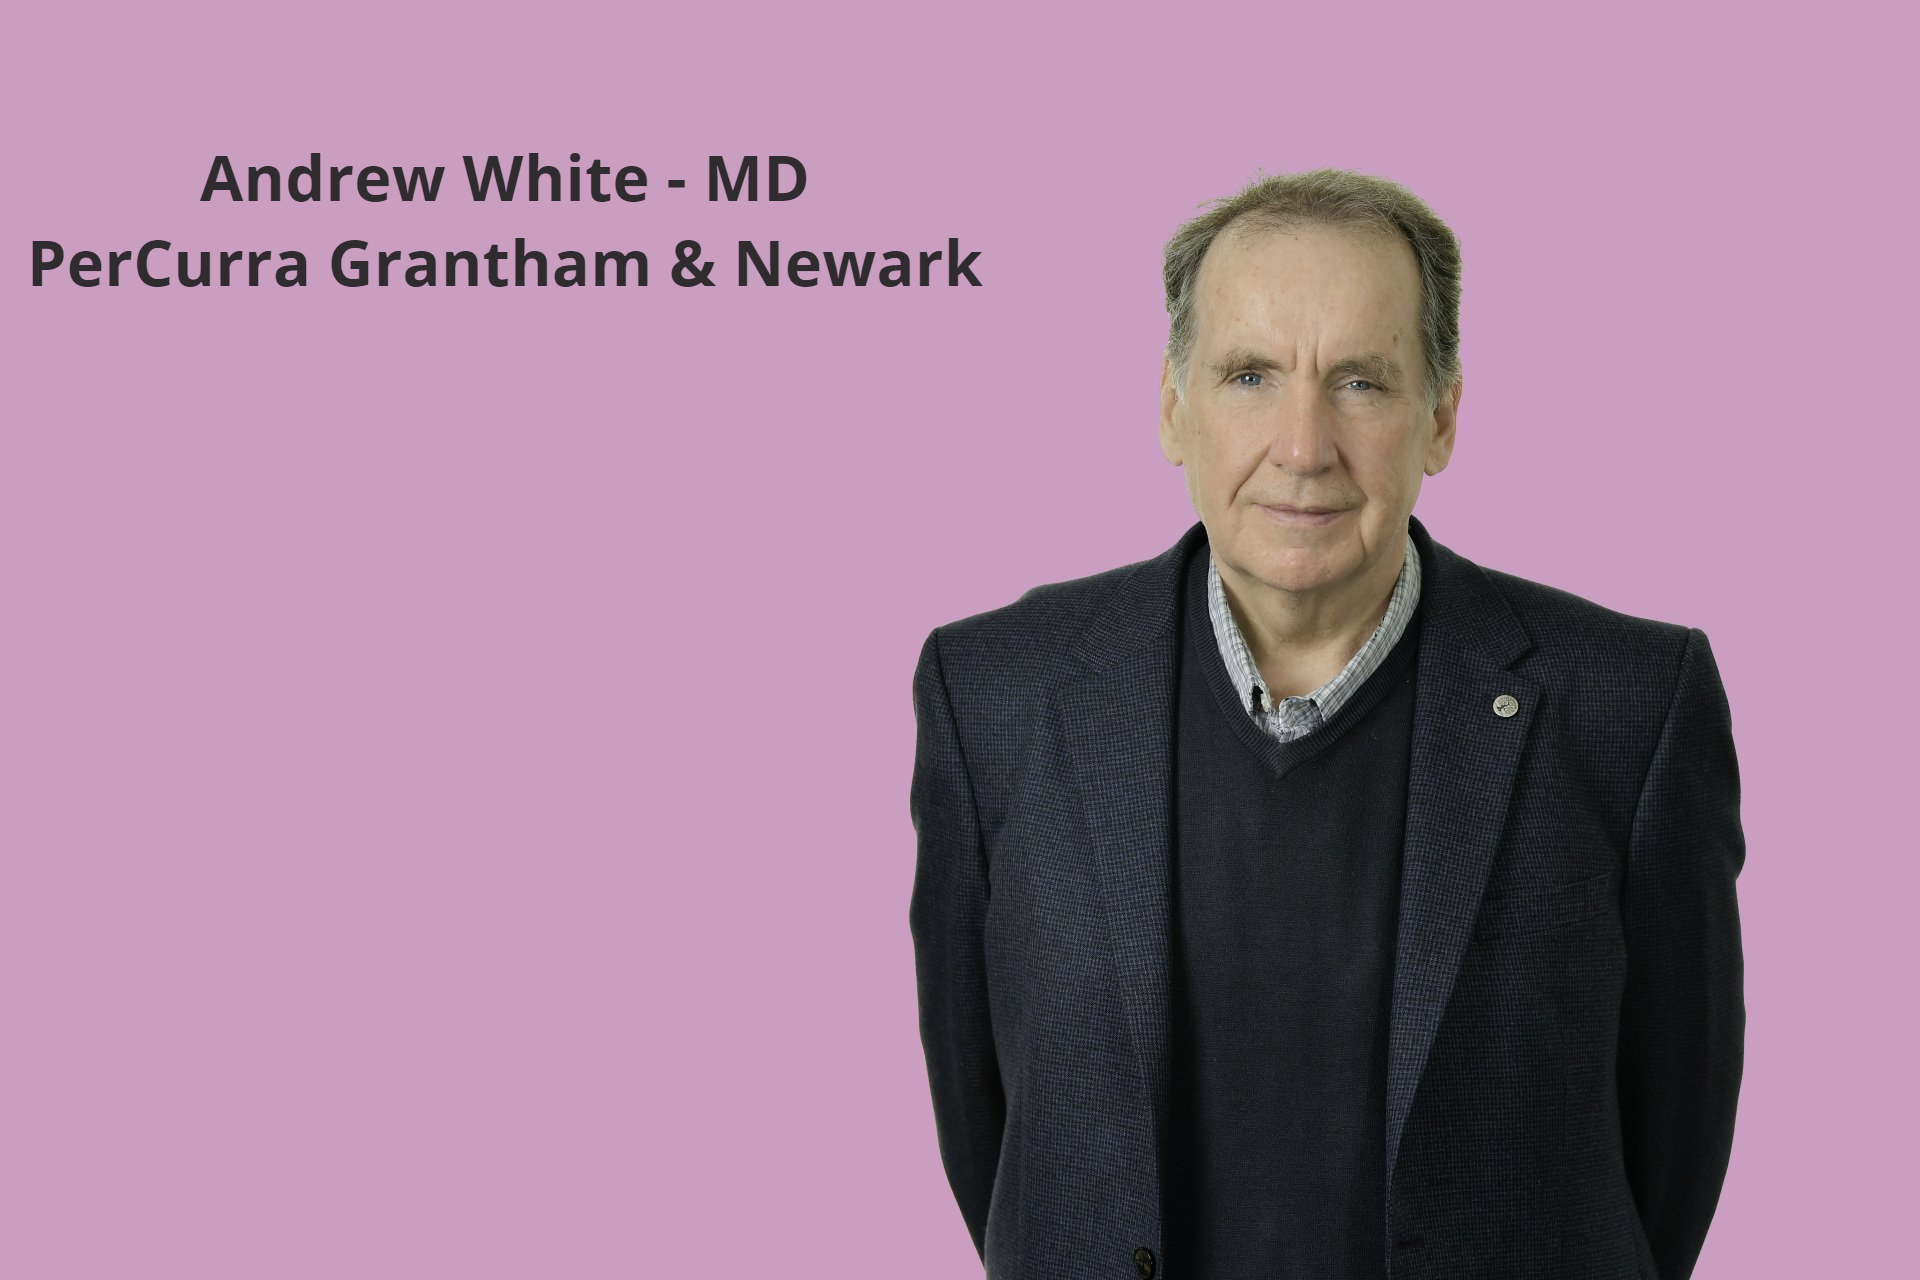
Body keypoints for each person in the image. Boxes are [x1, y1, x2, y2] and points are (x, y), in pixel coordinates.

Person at [907, 169, 1745, 1280]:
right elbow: (998, 1137)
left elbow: (1671, 1144)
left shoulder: (1629, 704)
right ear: (1171, 404)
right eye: (1250, 374)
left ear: (1439, 417)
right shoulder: (994, 693)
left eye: (1359, 380)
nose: (1303, 444)